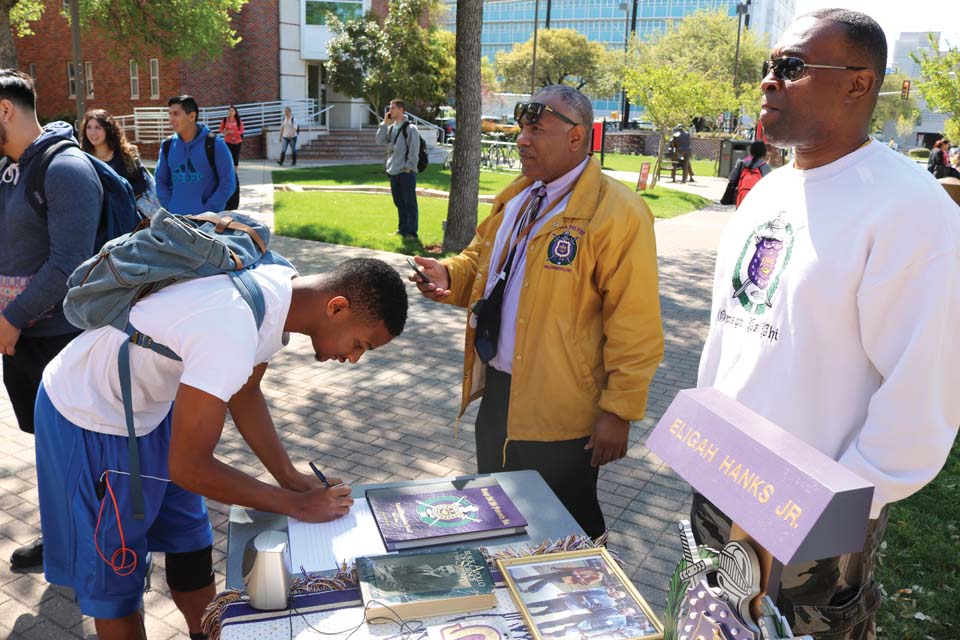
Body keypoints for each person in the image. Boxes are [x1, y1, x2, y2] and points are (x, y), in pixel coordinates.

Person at [695, 9, 960, 639]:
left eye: (790, 68)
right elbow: (731, 329)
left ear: (858, 84)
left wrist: (843, 502)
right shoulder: (767, 191)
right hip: (720, 483)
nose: (767, 82)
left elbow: (926, 389)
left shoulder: (911, 210)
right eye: (768, 68)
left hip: (815, 514)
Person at [35, 257, 408, 639]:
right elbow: (189, 468)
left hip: (155, 409)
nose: (354, 357)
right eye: (360, 344)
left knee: (191, 545)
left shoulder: (278, 290)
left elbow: (245, 391)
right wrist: (294, 505)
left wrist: (290, 477)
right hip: (92, 416)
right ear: (337, 307)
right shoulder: (231, 328)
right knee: (116, 579)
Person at [411, 85, 663, 540]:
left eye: (536, 129)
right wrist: (450, 275)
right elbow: (481, 260)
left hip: (564, 413)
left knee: (568, 532)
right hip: (500, 396)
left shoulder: (618, 214)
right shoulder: (519, 195)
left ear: (576, 138)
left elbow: (636, 322)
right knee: (499, 516)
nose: (521, 139)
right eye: (522, 128)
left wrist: (620, 410)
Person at [0, 70, 103, 569]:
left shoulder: (65, 169)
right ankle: (62, 534)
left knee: (79, 445)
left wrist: (13, 317)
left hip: (60, 338)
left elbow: (70, 264)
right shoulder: (8, 168)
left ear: (4, 110)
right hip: (20, 336)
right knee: (48, 444)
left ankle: (99, 542)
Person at [155, 95, 236, 215]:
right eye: (170, 114)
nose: (171, 119)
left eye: (176, 114)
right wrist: (169, 205)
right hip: (176, 220)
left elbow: (228, 184)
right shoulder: (167, 145)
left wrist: (208, 210)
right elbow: (160, 181)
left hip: (207, 223)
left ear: (192, 116)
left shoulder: (215, 144)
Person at [376, 99, 421, 241]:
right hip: (394, 171)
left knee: (410, 202)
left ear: (401, 110)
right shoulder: (392, 127)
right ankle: (402, 230)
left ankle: (412, 233)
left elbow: (414, 150)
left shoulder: (411, 128)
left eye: (393, 108)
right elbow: (379, 140)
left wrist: (409, 167)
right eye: (390, 107)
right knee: (399, 202)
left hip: (406, 171)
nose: (390, 111)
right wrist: (384, 124)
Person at [81, 108, 149, 198]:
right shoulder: (83, 158)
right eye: (89, 127)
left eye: (98, 127)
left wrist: (119, 195)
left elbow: (141, 184)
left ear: (108, 130)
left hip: (125, 209)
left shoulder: (127, 153)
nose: (92, 132)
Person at [725, 140, 772, 208]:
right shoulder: (766, 167)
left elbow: (732, 178)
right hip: (758, 202)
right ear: (763, 152)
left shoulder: (741, 163)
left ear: (751, 150)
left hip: (742, 198)